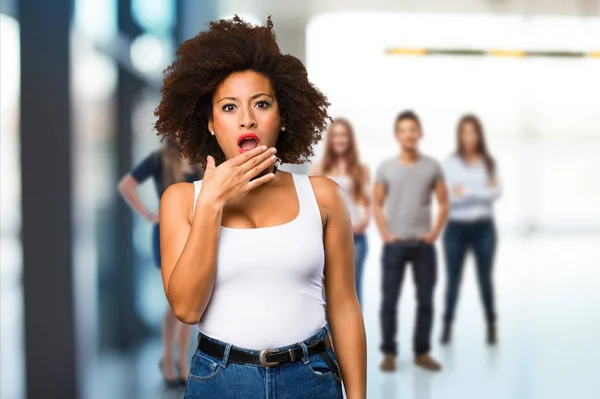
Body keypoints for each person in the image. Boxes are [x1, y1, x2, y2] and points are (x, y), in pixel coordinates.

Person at [153, 16, 366, 399]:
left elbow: (345, 307)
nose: (247, 119)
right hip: (220, 380)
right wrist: (213, 204)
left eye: (261, 104)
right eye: (230, 107)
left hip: (311, 378)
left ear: (282, 118)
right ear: (212, 124)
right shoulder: (183, 201)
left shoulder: (323, 196)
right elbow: (186, 308)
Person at [118, 138, 203, 387]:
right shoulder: (159, 159)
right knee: (174, 303)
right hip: (166, 233)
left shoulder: (199, 158)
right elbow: (127, 186)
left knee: (190, 306)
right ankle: (169, 360)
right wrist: (147, 214)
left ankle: (181, 361)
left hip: (193, 234)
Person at [373, 110, 448, 372]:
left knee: (426, 301)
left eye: (413, 129)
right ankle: (390, 353)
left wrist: (434, 233)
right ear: (397, 135)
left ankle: (422, 352)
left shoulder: (432, 166)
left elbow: (444, 202)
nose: (409, 134)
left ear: (420, 133)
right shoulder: (386, 167)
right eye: (403, 130)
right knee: (389, 302)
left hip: (423, 246)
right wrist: (385, 234)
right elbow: (377, 203)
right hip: (395, 245)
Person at [441, 114, 501, 346]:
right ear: (460, 135)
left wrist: (467, 192)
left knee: (485, 277)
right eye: (464, 132)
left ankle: (491, 324)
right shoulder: (451, 163)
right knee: (453, 278)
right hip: (456, 227)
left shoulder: (488, 162)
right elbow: (451, 198)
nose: (469, 136)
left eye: (473, 131)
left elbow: (496, 193)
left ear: (479, 135)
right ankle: (447, 325)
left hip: (484, 228)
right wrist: (481, 192)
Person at [311, 118, 371, 307]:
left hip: (355, 237)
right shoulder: (318, 169)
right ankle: (329, 336)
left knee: (353, 291)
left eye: (343, 135)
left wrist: (364, 221)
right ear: (330, 139)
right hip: (326, 237)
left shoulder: (360, 169)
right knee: (325, 292)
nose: (340, 139)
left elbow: (366, 201)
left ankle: (351, 337)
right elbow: (313, 205)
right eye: (336, 135)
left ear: (350, 139)